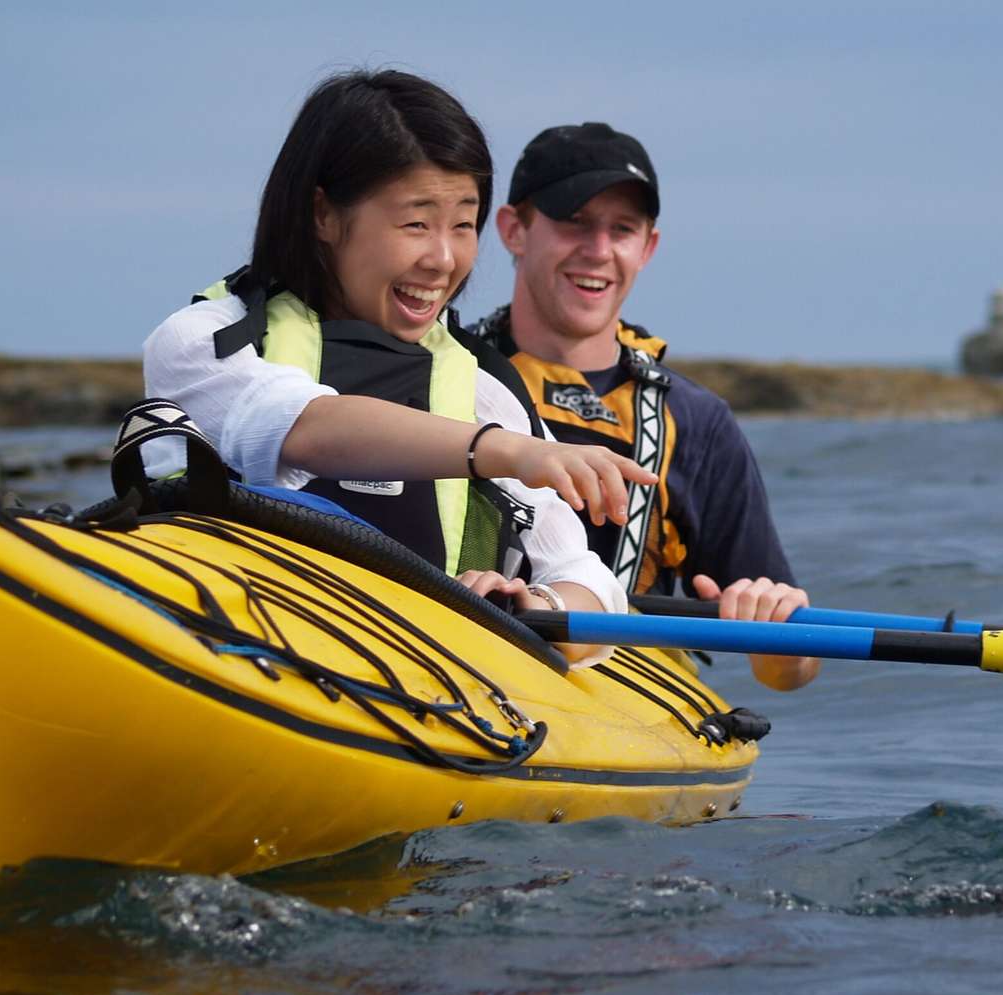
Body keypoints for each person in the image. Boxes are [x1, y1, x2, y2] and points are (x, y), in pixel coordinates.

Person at [141, 71, 652, 663]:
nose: (442, 259)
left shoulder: (484, 391)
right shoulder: (208, 342)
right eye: (416, 222)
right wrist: (511, 451)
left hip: (420, 693)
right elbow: (305, 426)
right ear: (323, 215)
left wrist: (526, 606)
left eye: (463, 224)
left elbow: (594, 588)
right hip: (237, 653)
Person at [473, 123, 819, 692]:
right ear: (514, 229)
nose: (599, 251)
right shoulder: (446, 375)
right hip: (472, 665)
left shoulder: (697, 421)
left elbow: (790, 673)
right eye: (574, 222)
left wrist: (776, 627)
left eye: (622, 230)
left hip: (629, 703)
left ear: (648, 247)